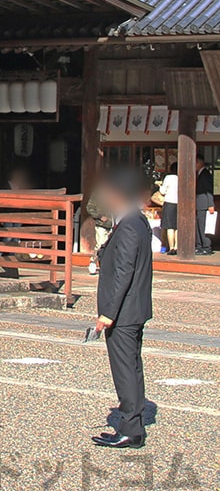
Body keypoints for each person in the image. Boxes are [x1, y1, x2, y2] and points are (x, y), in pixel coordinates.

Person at [91, 167, 153, 449]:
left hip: (124, 311)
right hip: (133, 309)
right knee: (133, 367)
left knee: (125, 369)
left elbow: (124, 272)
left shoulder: (129, 225)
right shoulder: (135, 221)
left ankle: (130, 428)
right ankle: (133, 424)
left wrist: (108, 313)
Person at [85, 188, 113, 274]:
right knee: (100, 245)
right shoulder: (97, 194)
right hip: (101, 224)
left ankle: (107, 265)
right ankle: (93, 261)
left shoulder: (115, 194)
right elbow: (89, 207)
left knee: (112, 245)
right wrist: (100, 216)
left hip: (113, 223)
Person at [195, 155, 214, 255]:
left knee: (204, 226)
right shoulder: (200, 174)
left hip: (204, 204)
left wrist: (211, 204)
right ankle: (199, 246)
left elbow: (209, 190)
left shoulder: (205, 174)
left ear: (199, 162)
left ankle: (206, 247)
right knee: (198, 226)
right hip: (199, 204)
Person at [159, 163, 179, 255]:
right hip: (180, 203)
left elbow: (163, 191)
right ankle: (177, 246)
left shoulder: (169, 177)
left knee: (170, 226)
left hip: (170, 202)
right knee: (177, 226)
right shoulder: (182, 176)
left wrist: (160, 186)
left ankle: (171, 248)